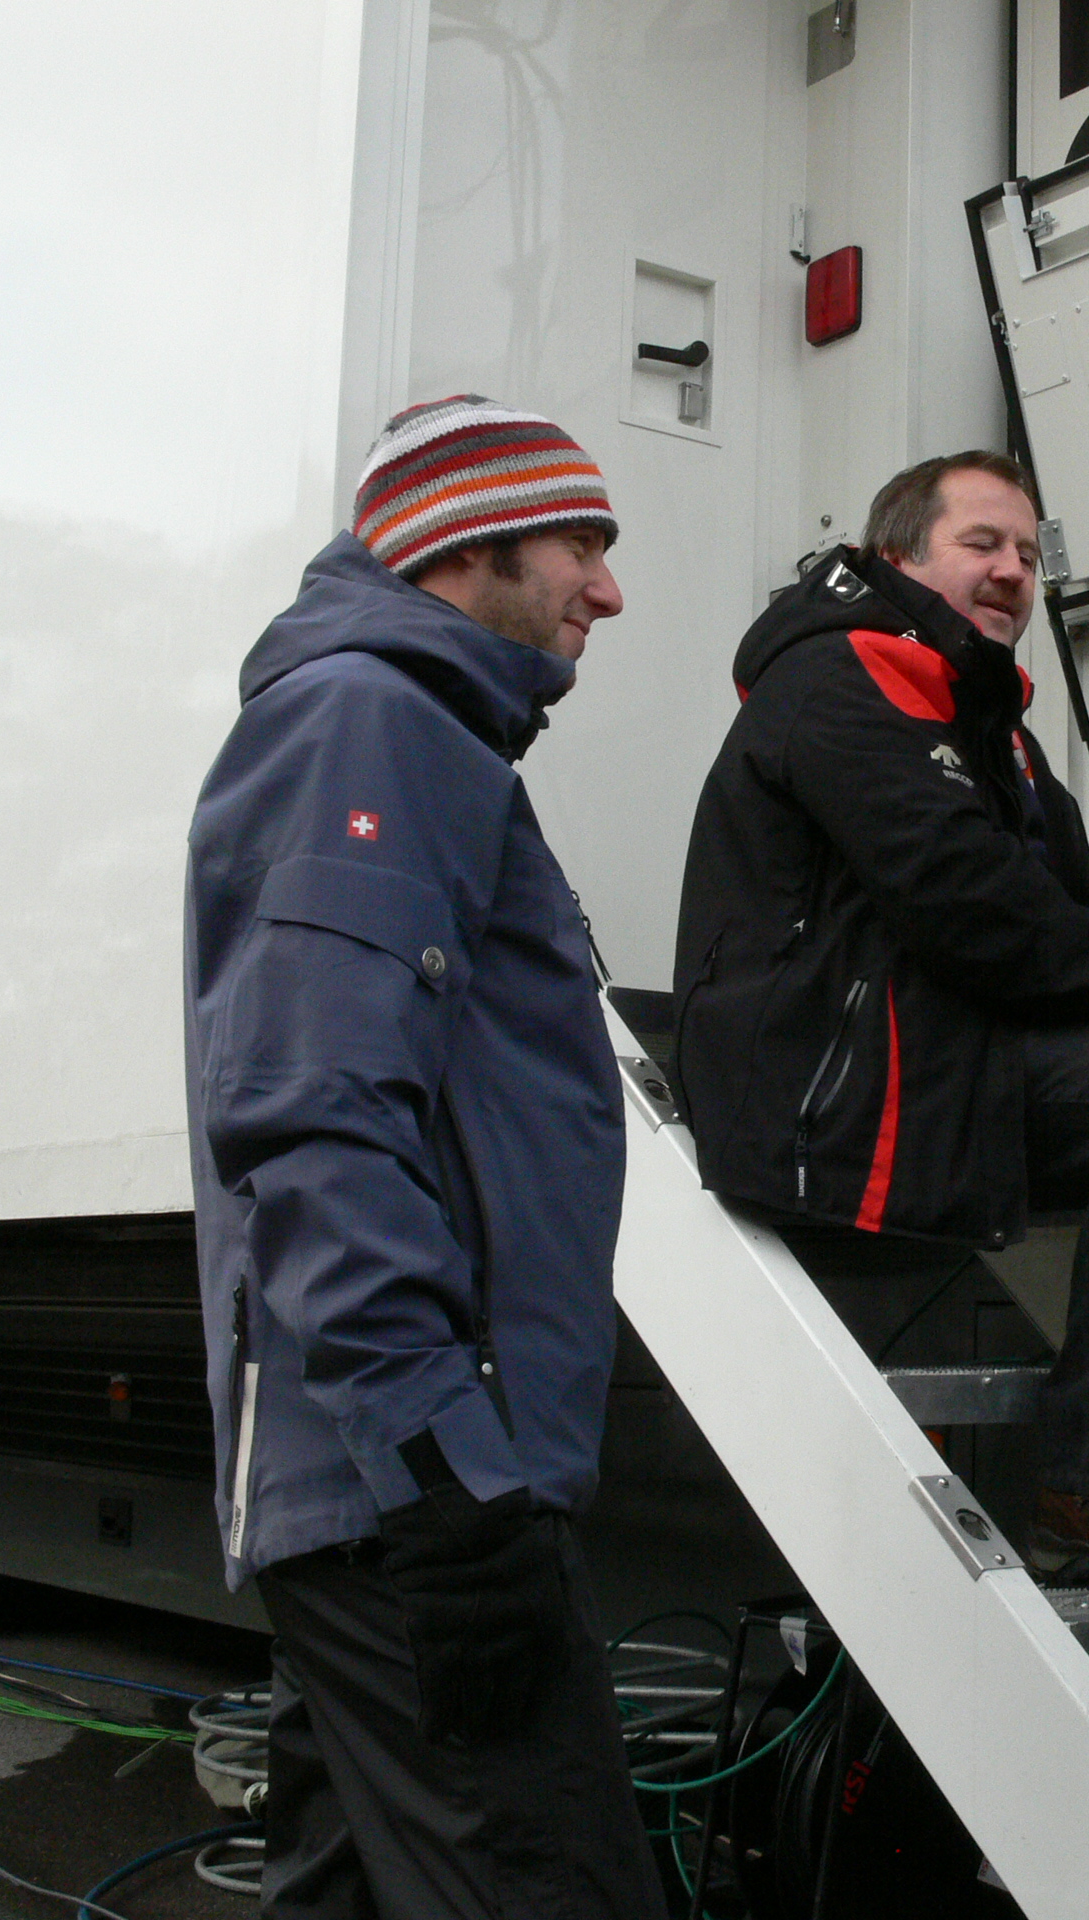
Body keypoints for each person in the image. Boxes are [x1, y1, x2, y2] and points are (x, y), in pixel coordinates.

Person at [185, 395, 666, 1920]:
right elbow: (315, 1109)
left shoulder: (422, 733)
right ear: (469, 545)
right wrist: (450, 1477)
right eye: (581, 541)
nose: (608, 586)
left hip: (392, 1466)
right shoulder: (366, 721)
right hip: (412, 1478)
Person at [673, 451, 1089, 1592]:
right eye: (980, 545)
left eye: (1024, 551)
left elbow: (1034, 896)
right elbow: (964, 901)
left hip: (932, 1033)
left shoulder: (966, 694)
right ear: (896, 554)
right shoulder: (844, 678)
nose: (1012, 571)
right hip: (842, 1079)